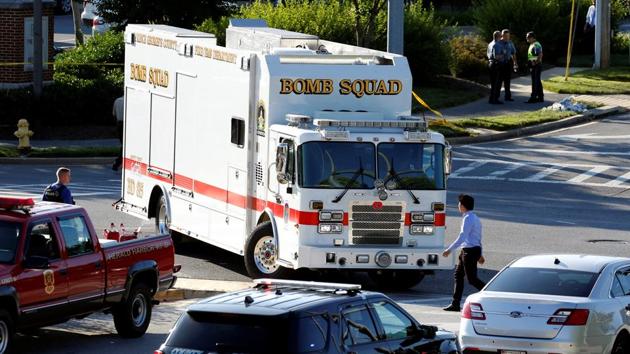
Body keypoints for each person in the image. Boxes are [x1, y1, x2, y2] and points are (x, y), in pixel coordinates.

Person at [442, 194, 485, 312]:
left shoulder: (468, 218)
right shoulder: (475, 218)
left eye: (459, 203)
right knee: (458, 275)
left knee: (472, 279)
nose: (458, 205)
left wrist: (449, 250)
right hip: (469, 250)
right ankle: (455, 304)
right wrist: (480, 253)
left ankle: (490, 294)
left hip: (469, 252)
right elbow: (478, 237)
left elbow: (462, 237)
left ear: (462, 205)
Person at [487, 31, 505, 104]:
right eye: (501, 36)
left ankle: (491, 98)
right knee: (497, 83)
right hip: (496, 64)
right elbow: (496, 56)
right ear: (499, 36)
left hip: (490, 64)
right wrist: (503, 53)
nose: (501, 37)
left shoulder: (490, 44)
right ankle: (495, 99)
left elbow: (488, 54)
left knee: (493, 83)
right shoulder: (497, 44)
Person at [525, 32, 544, 103]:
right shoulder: (532, 44)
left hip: (536, 65)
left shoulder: (536, 44)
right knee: (537, 81)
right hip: (534, 65)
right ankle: (540, 97)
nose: (527, 39)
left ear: (532, 38)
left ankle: (533, 97)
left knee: (535, 82)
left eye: (528, 37)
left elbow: (540, 54)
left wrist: (535, 62)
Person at [500, 29, 518, 102]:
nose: (507, 37)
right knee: (499, 80)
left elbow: (513, 53)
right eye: (505, 36)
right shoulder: (499, 43)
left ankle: (508, 96)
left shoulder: (510, 43)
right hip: (500, 64)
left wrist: (515, 63)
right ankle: (496, 96)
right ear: (502, 35)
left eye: (508, 36)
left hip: (507, 63)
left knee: (507, 80)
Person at [112, 96, 124, 171]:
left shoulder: (117, 100)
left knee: (123, 144)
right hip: (127, 124)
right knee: (126, 146)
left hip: (119, 124)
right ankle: (117, 162)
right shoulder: (130, 101)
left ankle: (117, 163)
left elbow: (114, 114)